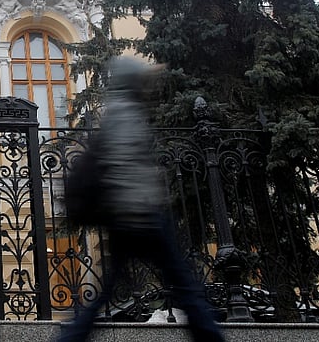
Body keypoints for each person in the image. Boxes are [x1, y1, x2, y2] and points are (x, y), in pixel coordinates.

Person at [55, 56, 225, 342]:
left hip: (127, 218)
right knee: (186, 286)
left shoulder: (117, 111)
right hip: (141, 217)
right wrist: (140, 211)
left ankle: (70, 338)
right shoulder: (126, 113)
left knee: (106, 294)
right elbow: (125, 165)